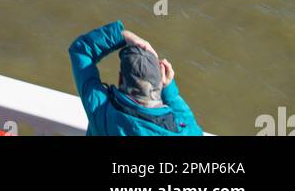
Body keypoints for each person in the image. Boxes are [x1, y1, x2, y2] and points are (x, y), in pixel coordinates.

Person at [69, 19, 203, 136]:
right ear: (160, 82)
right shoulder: (184, 131)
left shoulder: (101, 111)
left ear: (121, 79)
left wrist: (123, 36)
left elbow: (81, 50)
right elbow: (189, 124)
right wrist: (169, 91)